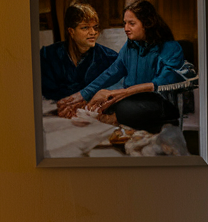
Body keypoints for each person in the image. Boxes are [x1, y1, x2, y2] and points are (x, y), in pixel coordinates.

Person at [57, 0, 187, 134]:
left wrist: (119, 94)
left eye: (131, 23)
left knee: (123, 108)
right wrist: (80, 96)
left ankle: (111, 119)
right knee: (103, 102)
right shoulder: (130, 46)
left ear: (147, 24)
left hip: (157, 105)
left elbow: (162, 83)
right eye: (125, 23)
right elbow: (111, 73)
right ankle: (109, 118)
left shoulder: (171, 48)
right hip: (132, 100)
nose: (126, 28)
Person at [40, 3, 119, 104]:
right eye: (85, 28)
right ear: (71, 31)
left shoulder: (110, 58)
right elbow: (47, 91)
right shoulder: (48, 55)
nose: (93, 32)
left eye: (95, 27)